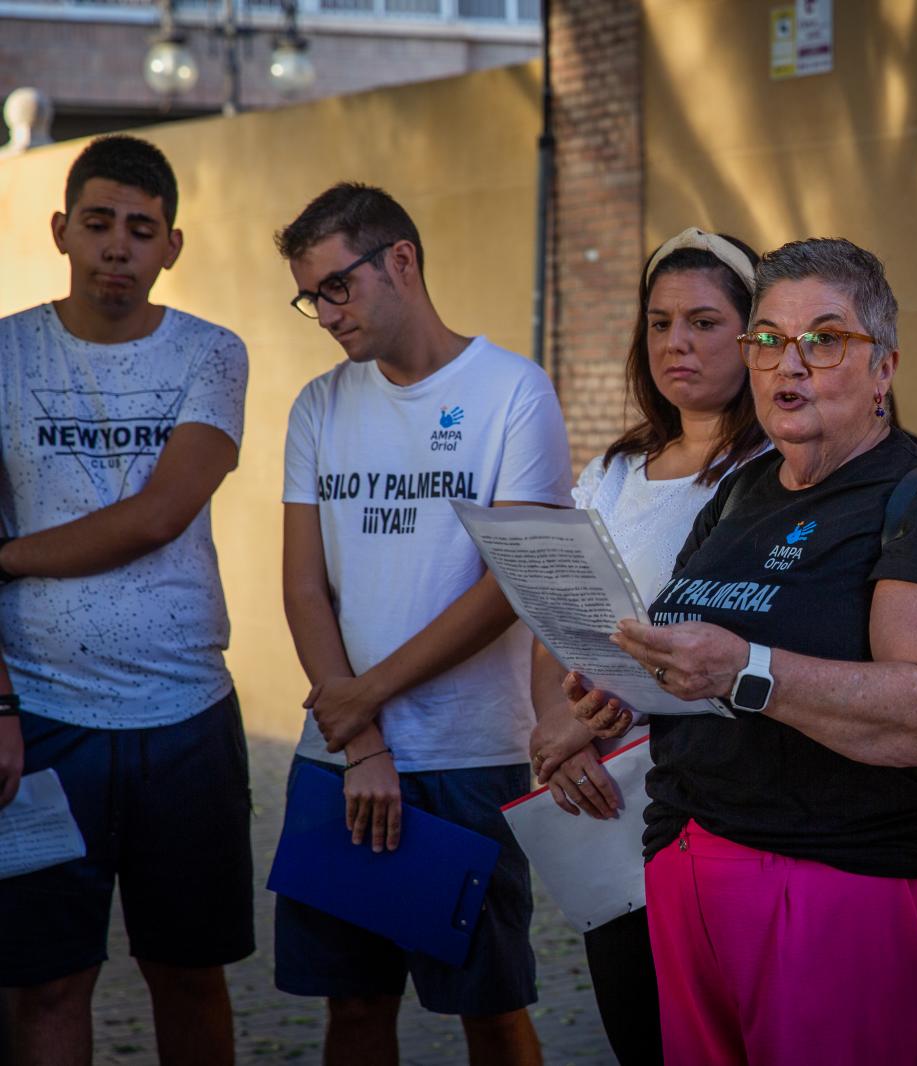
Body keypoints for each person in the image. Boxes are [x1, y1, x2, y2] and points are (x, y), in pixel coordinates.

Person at [569, 237, 917, 1065]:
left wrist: (746, 670)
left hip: (859, 885)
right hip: (696, 866)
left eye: (825, 339)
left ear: (883, 367)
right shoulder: (742, 491)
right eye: (770, 340)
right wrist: (631, 679)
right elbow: (696, 647)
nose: (791, 364)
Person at [273, 182, 573, 1066]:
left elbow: (510, 585)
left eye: (337, 286)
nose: (324, 314)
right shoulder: (318, 406)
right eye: (310, 295)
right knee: (354, 1012)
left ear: (400, 260)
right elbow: (301, 588)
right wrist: (361, 738)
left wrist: (366, 699)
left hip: (468, 758)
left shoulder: (513, 392)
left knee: (489, 1010)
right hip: (338, 762)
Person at [0, 134, 253, 1066]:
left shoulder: (212, 353)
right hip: (41, 722)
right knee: (47, 983)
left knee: (188, 973)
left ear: (171, 247)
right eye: (99, 224)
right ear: (62, 229)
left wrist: (5, 558)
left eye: (141, 230)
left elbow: (159, 515)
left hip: (185, 720)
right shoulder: (3, 355)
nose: (118, 247)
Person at [528, 226, 765, 1065]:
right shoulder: (615, 471)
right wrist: (560, 732)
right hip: (608, 806)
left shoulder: (774, 469)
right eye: (660, 322)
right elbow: (553, 619)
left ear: (753, 333)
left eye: (704, 322)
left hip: (717, 806)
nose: (677, 343)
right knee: (639, 1029)